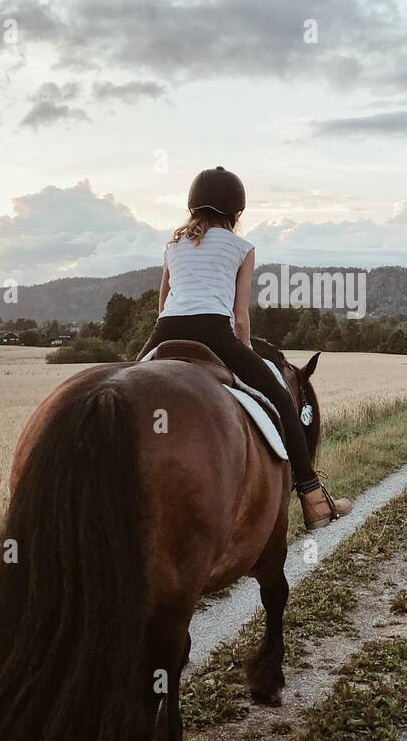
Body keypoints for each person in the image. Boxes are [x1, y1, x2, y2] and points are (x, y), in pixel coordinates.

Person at [142, 166, 352, 530]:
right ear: (236, 213)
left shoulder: (173, 245)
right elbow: (240, 317)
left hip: (165, 333)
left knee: (118, 392)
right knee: (282, 400)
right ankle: (313, 497)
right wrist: (245, 354)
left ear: (192, 207)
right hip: (214, 333)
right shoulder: (242, 247)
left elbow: (163, 307)